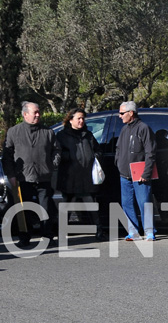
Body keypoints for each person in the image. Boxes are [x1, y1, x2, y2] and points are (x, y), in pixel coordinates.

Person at [2, 101, 60, 245]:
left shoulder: (48, 132)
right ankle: (24, 237)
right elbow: (7, 156)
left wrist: (51, 165)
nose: (38, 115)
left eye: (39, 111)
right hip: (23, 178)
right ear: (25, 114)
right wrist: (11, 175)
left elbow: (57, 150)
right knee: (24, 209)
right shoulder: (14, 132)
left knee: (45, 208)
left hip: (44, 176)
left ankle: (47, 236)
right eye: (35, 112)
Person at [56, 107, 104, 239]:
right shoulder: (61, 136)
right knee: (66, 206)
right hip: (70, 177)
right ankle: (61, 233)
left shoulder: (88, 135)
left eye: (83, 118)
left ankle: (99, 231)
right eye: (78, 118)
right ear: (70, 120)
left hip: (87, 176)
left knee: (92, 206)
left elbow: (98, 150)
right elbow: (56, 153)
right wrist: (68, 156)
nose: (81, 121)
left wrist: (95, 157)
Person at [115, 101, 157, 241]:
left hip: (140, 174)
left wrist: (146, 173)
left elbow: (150, 152)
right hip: (124, 175)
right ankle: (133, 232)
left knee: (144, 202)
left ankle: (149, 232)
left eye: (122, 113)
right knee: (127, 203)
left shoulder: (143, 128)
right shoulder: (124, 130)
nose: (119, 116)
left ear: (131, 113)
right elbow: (119, 149)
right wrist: (118, 163)